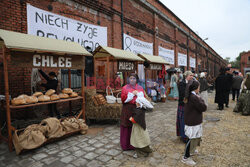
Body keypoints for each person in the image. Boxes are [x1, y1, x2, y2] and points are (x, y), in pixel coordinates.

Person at [181, 80, 207, 166]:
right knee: (191, 138)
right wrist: (201, 99)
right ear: (196, 88)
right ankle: (185, 157)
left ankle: (192, 150)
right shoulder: (194, 97)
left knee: (194, 137)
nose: (199, 88)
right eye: (199, 87)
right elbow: (203, 107)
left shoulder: (191, 96)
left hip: (192, 120)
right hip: (193, 121)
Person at [120, 73, 144, 151]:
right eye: (131, 78)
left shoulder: (140, 88)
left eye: (134, 78)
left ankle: (135, 143)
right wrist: (130, 95)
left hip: (136, 109)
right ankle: (125, 145)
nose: (132, 80)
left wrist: (139, 100)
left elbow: (143, 98)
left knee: (135, 126)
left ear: (136, 79)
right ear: (128, 79)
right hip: (127, 109)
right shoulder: (125, 88)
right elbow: (123, 99)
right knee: (126, 125)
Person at [176, 71, 193, 143]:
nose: (192, 77)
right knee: (183, 120)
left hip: (188, 104)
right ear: (186, 76)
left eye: (192, 75)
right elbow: (183, 94)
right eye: (190, 75)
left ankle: (187, 134)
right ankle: (183, 136)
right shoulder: (182, 83)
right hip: (183, 104)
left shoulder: (190, 83)